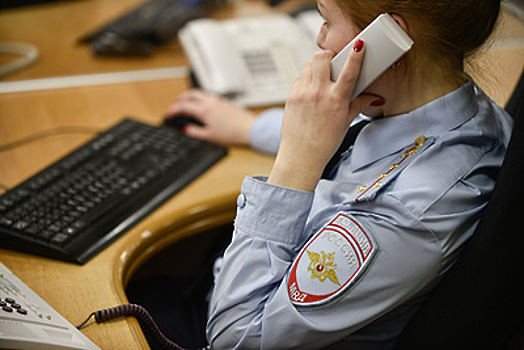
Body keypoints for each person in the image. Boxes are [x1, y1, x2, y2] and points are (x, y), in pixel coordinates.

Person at [165, 0, 513, 348]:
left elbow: (234, 339)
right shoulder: (454, 107)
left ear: (387, 38)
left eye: (326, 20)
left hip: (226, 314)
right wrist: (255, 127)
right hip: (230, 279)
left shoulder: (402, 213)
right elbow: (354, 131)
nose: (319, 38)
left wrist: (296, 159)